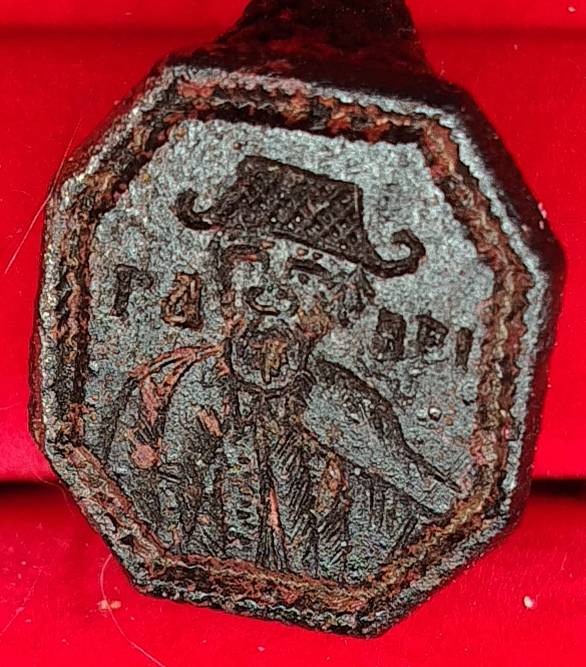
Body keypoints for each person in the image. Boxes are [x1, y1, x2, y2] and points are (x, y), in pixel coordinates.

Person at [105, 156, 459, 583]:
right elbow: (131, 502)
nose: (270, 295)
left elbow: (416, 515)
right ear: (220, 277)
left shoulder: (358, 413)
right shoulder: (164, 390)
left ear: (342, 303)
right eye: (249, 261)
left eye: (305, 274)